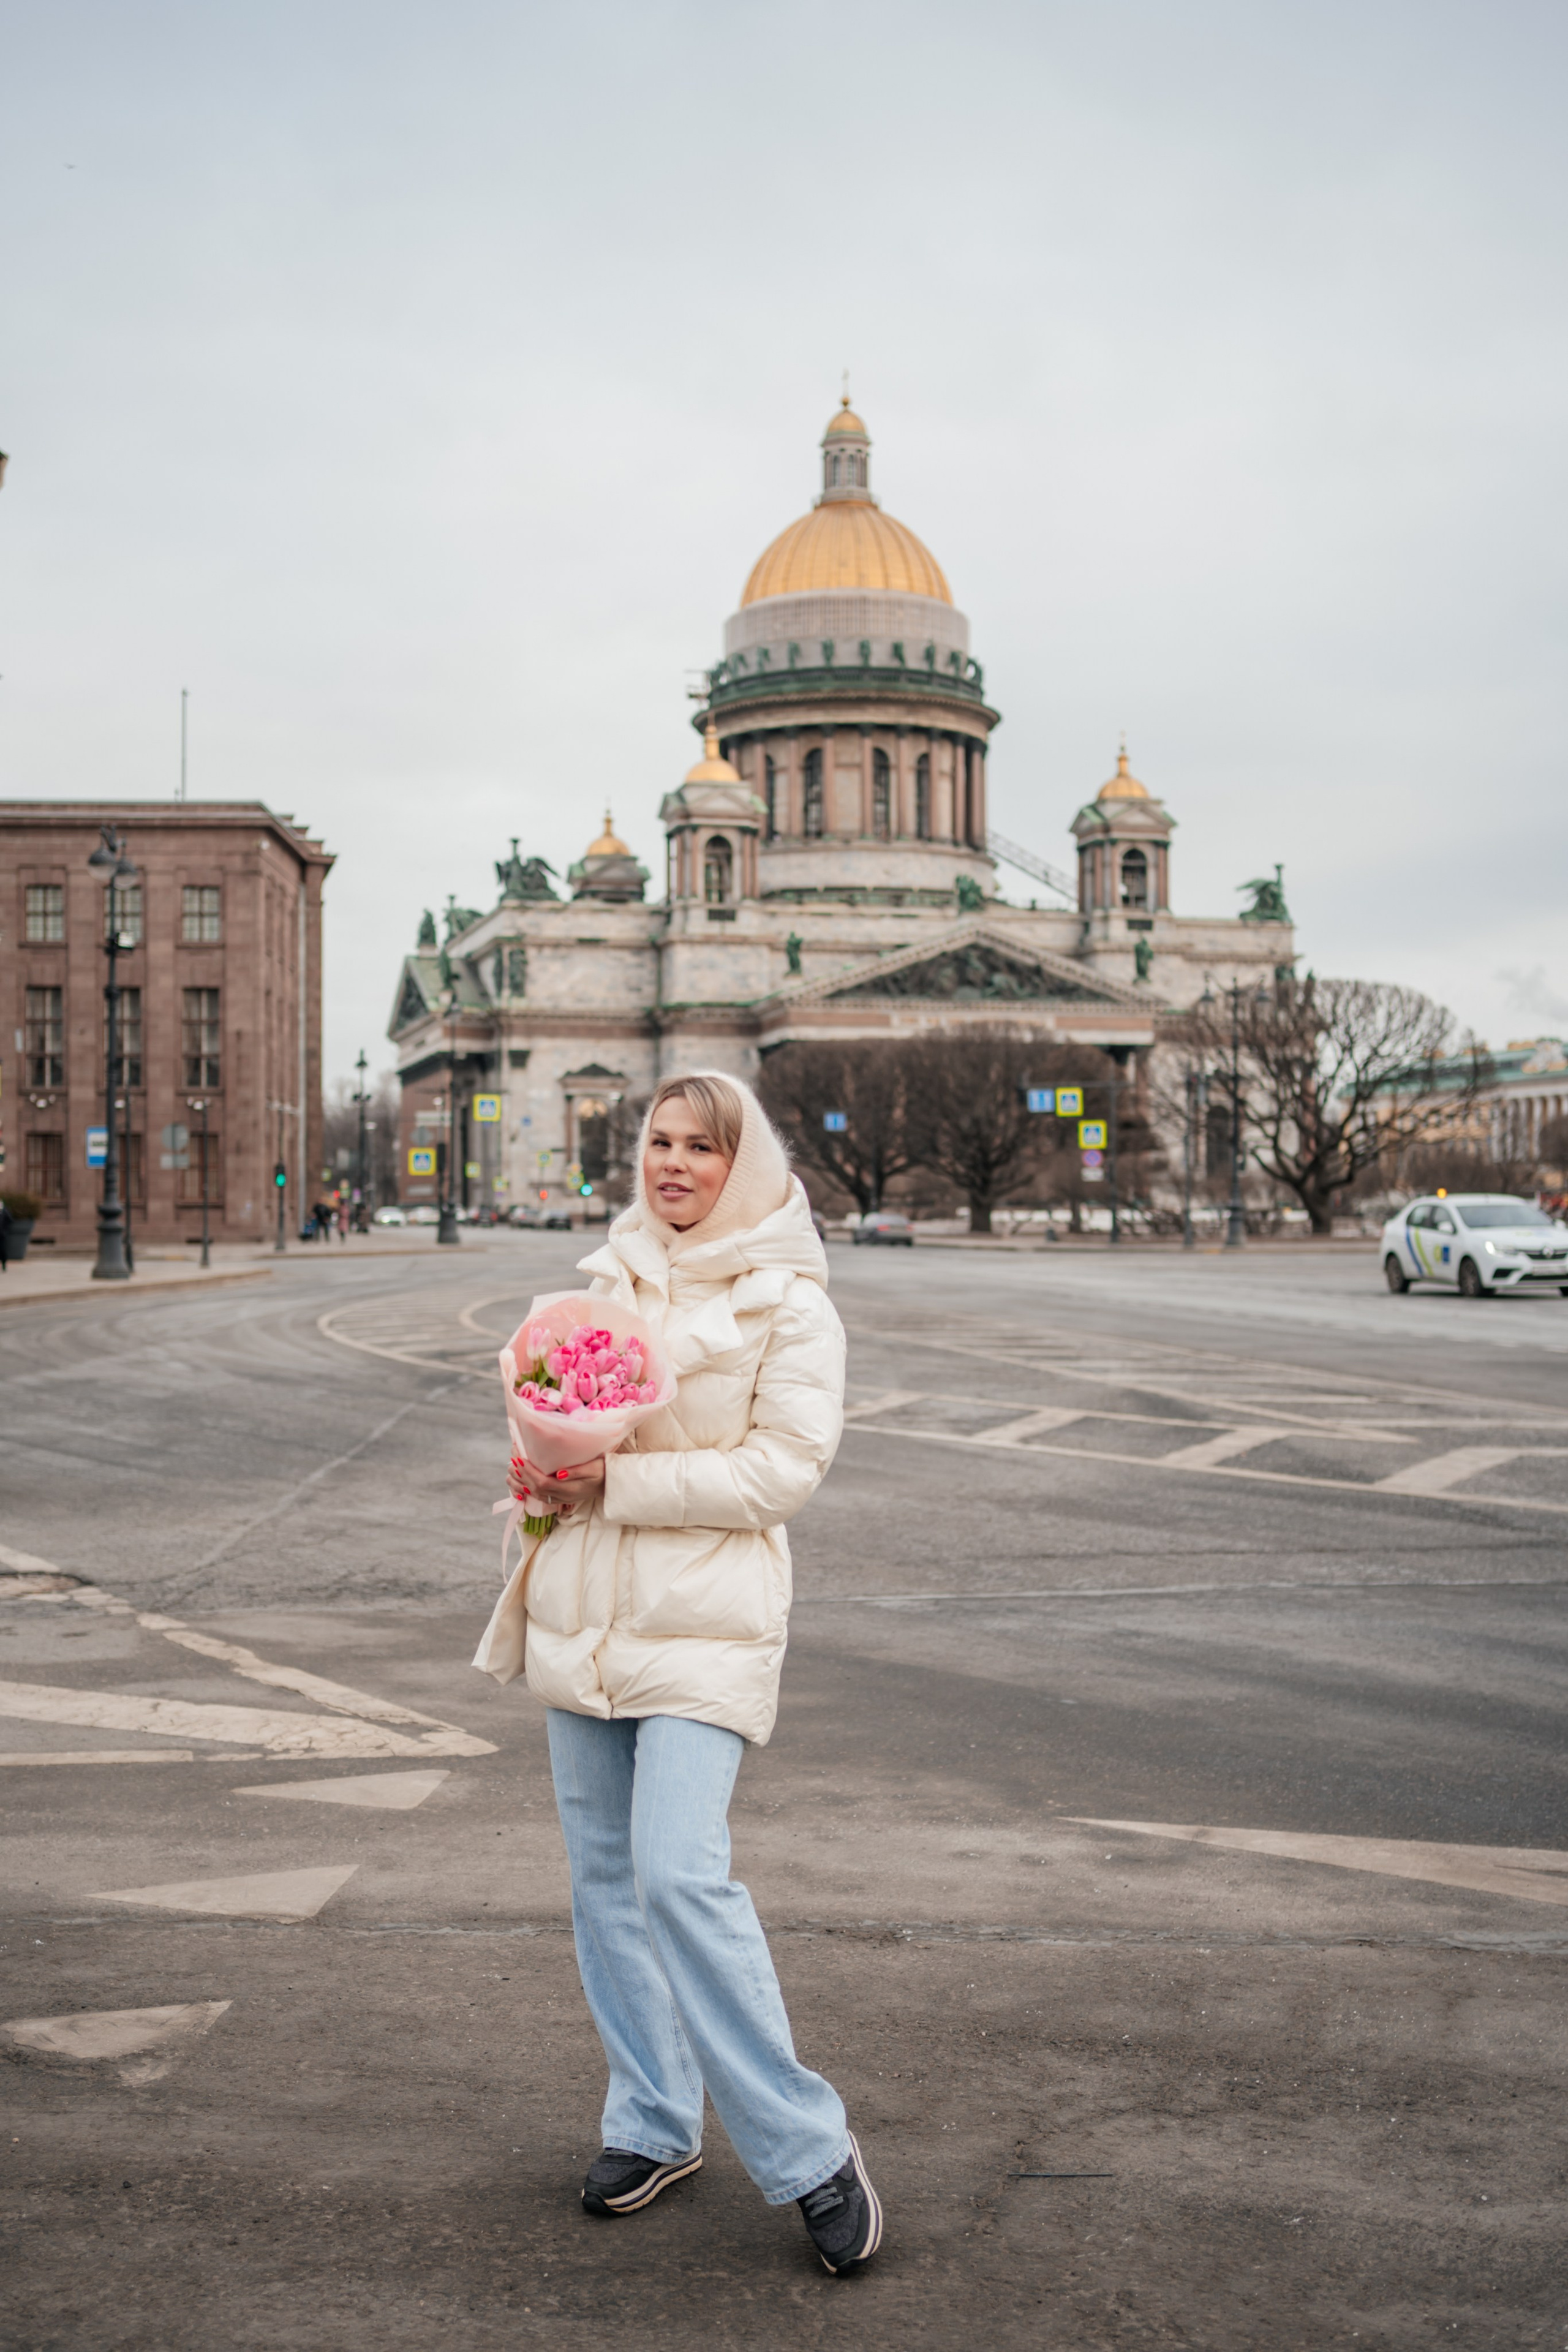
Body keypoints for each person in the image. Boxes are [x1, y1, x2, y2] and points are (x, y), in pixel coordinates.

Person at [477, 1071, 881, 2274]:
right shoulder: (605, 1282)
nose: (671, 1165)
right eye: (656, 1143)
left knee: (675, 1876)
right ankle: (652, 2120)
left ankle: (810, 2151)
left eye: (698, 1149)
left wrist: (618, 1484)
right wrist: (542, 1471)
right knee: (605, 1882)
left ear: (739, 1164)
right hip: (588, 1611)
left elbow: (781, 1474)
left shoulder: (789, 1307)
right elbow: (558, 1414)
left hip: (706, 1625)